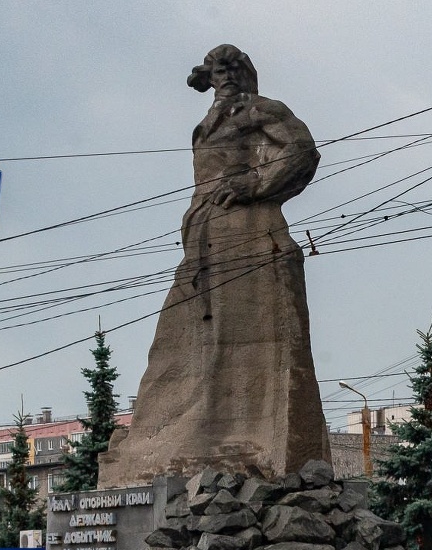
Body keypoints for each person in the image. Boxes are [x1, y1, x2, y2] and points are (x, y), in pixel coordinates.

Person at [98, 43, 329, 484]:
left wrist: (256, 182)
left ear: (238, 73)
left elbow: (302, 151)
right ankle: (161, 444)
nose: (219, 77)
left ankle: (240, 446)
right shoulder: (208, 122)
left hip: (247, 231)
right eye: (214, 70)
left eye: (225, 68)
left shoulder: (259, 110)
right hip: (203, 234)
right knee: (180, 339)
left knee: (244, 338)